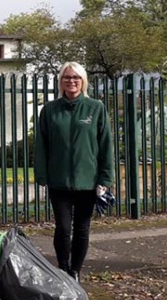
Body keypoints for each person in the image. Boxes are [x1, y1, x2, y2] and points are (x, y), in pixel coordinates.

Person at [34, 61, 114, 282]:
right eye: (67, 77)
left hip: (87, 181)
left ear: (83, 81)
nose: (72, 81)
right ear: (61, 81)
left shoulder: (95, 108)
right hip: (58, 180)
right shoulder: (50, 110)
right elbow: (41, 144)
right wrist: (41, 173)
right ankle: (63, 268)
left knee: (81, 228)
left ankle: (75, 271)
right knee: (62, 227)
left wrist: (105, 177)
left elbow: (106, 145)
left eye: (76, 78)